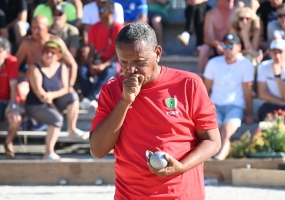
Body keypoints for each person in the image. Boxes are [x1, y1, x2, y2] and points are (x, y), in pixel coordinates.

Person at [89, 22, 221, 199]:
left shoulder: (189, 84)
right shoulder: (111, 90)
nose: (131, 70)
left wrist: (181, 166)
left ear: (157, 53)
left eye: (139, 61)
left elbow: (212, 141)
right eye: (124, 62)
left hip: (182, 195)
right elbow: (97, 150)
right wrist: (125, 102)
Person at [25, 40, 89, 161]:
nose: (49, 55)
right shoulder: (35, 67)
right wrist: (50, 100)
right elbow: (39, 93)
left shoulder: (62, 67)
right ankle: (48, 153)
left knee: (73, 96)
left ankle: (72, 129)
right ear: (42, 53)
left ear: (59, 55)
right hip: (36, 105)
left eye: (53, 52)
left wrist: (52, 95)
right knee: (57, 119)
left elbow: (66, 88)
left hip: (53, 101)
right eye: (47, 51)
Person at [203, 33, 255, 160]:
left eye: (230, 46)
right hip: (215, 105)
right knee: (211, 130)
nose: (227, 49)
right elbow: (205, 89)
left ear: (239, 47)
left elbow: (248, 92)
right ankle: (209, 158)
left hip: (235, 105)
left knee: (226, 131)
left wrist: (249, 114)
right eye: (225, 46)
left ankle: (219, 158)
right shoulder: (213, 63)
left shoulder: (246, 64)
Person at [78, 0, 123, 110]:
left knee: (110, 70)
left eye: (102, 9)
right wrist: (90, 64)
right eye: (98, 9)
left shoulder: (119, 28)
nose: (99, 12)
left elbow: (119, 53)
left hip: (113, 61)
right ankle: (94, 99)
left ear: (111, 12)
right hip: (99, 60)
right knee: (82, 71)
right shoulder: (94, 27)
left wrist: (104, 65)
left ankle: (89, 98)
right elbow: (92, 50)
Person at [16, 15, 77, 90]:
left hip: (55, 82)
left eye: (38, 28)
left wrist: (70, 85)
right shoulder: (27, 43)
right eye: (33, 28)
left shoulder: (56, 42)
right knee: (22, 89)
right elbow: (15, 65)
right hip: (33, 83)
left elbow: (73, 64)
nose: (35, 31)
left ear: (47, 28)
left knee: (72, 97)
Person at [0, 37, 22, 159]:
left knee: (16, 117)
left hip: (8, 99)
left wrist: (13, 106)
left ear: (6, 53)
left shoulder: (12, 61)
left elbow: (13, 86)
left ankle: (8, 142)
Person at [257, 38, 285, 124]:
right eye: (274, 53)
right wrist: (284, 102)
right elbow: (262, 94)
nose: (277, 56)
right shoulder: (263, 66)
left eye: (280, 52)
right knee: (269, 124)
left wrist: (277, 76)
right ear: (270, 53)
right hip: (269, 105)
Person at [198, 0, 236, 74]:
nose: (231, 0)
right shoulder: (211, 14)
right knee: (204, 49)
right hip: (217, 47)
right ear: (218, 1)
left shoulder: (237, 13)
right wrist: (217, 44)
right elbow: (207, 38)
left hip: (234, 46)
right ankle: (203, 80)